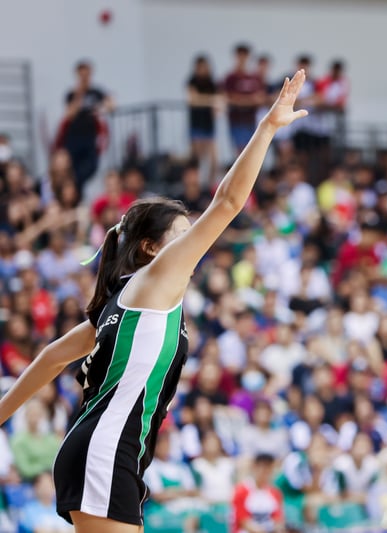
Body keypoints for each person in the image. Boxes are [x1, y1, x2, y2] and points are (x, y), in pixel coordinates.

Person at [0, 70, 309, 533]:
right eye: (182, 237)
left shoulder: (120, 303)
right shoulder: (159, 277)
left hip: (104, 451)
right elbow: (226, 203)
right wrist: (265, 128)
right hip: (105, 450)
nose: (192, 246)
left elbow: (49, 358)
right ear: (151, 247)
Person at [56, 60, 114, 199]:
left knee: (90, 167)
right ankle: (74, 196)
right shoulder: (71, 94)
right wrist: (79, 93)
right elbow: (70, 114)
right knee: (73, 172)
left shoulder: (96, 93)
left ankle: (77, 193)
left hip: (90, 138)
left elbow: (111, 105)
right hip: (74, 139)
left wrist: (101, 109)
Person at [223, 43, 266, 155]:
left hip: (252, 120)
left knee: (253, 152)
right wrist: (250, 100)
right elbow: (230, 98)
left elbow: (261, 98)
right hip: (237, 121)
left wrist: (242, 100)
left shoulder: (254, 77)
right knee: (241, 152)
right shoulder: (231, 78)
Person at [186, 54, 220, 184]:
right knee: (197, 158)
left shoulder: (212, 83)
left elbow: (219, 101)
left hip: (209, 126)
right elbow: (192, 100)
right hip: (197, 125)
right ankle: (195, 183)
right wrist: (210, 100)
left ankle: (209, 184)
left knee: (214, 159)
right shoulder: (192, 81)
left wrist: (206, 101)